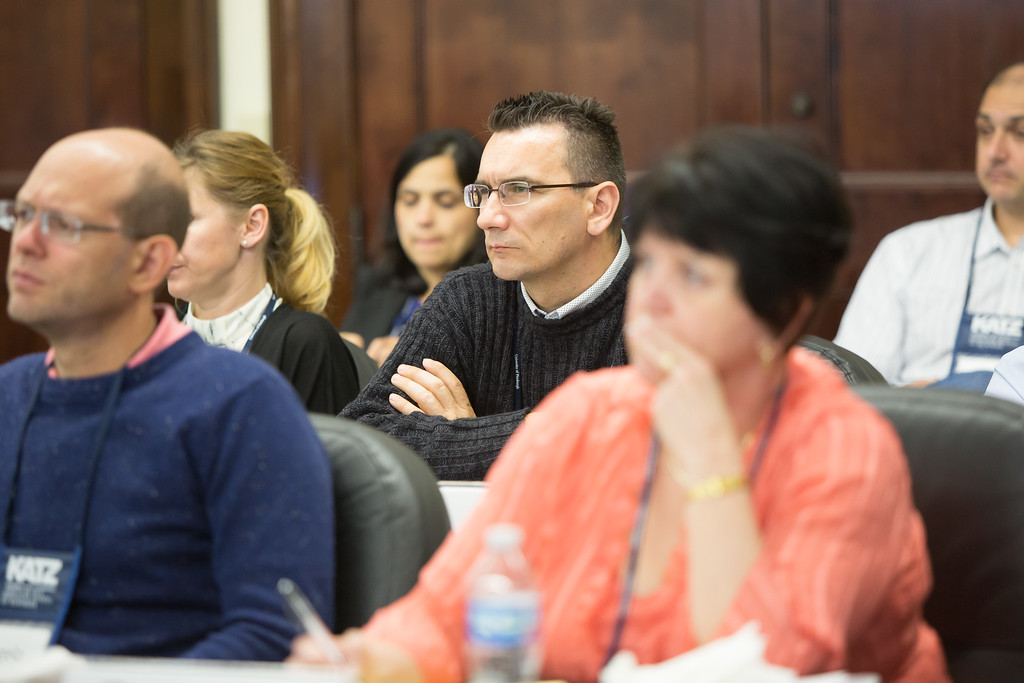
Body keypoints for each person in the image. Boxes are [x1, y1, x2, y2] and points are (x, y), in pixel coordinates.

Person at [291, 128, 947, 682]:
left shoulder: (843, 449)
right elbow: (444, 615)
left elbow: (770, 662)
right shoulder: (588, 416)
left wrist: (713, 461)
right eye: (653, 265)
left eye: (693, 276)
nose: (653, 298)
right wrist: (367, 657)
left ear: (783, 311)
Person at [0, 128, 334, 660]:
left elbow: (274, 633)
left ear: (149, 262)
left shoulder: (242, 404)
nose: (26, 242)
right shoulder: (8, 395)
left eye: (62, 224)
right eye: (20, 215)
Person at [341, 91, 630, 479]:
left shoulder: (666, 306)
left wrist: (465, 436)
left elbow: (635, 450)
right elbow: (359, 439)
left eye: (519, 191)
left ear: (598, 207)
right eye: (484, 193)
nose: (487, 218)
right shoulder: (468, 298)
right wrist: (494, 437)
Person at [835, 60, 1024, 389]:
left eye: (1020, 133)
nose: (995, 151)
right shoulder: (907, 252)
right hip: (920, 435)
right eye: (985, 131)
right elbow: (851, 391)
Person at [168, 129, 359, 414]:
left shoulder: (304, 343)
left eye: (185, 218)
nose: (163, 236)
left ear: (252, 226)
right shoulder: (152, 343)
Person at [341, 128, 487, 366]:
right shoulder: (376, 285)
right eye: (410, 201)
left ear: (480, 206)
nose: (423, 218)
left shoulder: (500, 303)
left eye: (445, 202)